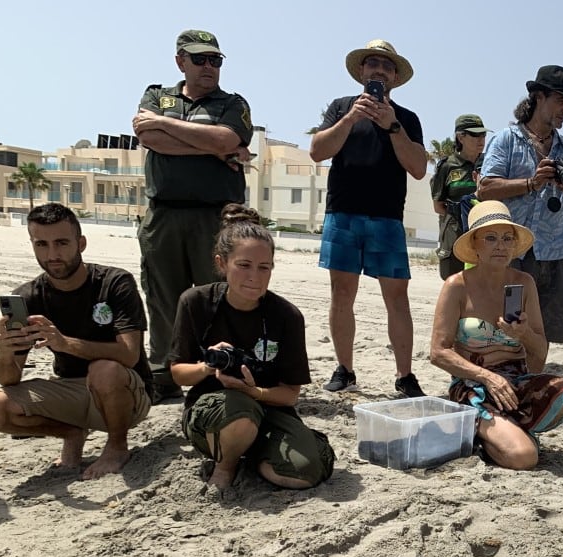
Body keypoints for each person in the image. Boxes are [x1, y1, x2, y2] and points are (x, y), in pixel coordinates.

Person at [169, 206, 335, 495]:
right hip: (212, 411)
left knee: (304, 471)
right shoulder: (196, 302)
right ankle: (226, 467)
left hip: (267, 407)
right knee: (239, 412)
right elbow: (178, 374)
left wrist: (253, 391)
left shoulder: (286, 316)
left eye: (264, 267)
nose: (254, 277)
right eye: (243, 265)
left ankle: (252, 451)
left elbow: (289, 394)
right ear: (222, 263)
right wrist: (208, 367)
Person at [0, 203, 151, 478]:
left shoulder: (114, 282)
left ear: (80, 243)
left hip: (127, 394)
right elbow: (9, 380)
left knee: (103, 369)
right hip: (71, 390)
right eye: (42, 245)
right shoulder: (28, 296)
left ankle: (117, 446)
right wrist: (5, 351)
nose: (53, 255)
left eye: (61, 243)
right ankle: (71, 434)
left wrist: (63, 343)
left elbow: (130, 355)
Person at [133, 29, 252, 403]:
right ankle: (164, 376)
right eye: (199, 59)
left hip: (216, 218)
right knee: (163, 297)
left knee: (216, 297)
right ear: (180, 61)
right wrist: (209, 145)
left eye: (215, 60)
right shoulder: (156, 95)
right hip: (164, 215)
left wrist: (167, 125)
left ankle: (218, 371)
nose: (208, 67)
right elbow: (149, 138)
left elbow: (225, 140)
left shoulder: (232, 104)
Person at [310, 39, 428, 397]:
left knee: (397, 299)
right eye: (373, 63)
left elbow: (420, 168)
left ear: (394, 76)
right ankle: (345, 369)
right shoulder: (341, 108)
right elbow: (317, 151)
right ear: (362, 71)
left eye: (386, 65)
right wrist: (351, 118)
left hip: (387, 219)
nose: (379, 70)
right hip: (342, 214)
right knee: (341, 295)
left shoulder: (407, 119)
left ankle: (405, 376)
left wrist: (392, 126)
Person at [429, 202, 563, 470]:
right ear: (475, 245)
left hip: (516, 381)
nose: (501, 246)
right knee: (524, 457)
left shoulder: (524, 283)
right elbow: (438, 352)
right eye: (491, 238)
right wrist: (487, 377)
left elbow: (539, 357)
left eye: (508, 239)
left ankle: (502, 428)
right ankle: (483, 430)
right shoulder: (457, 286)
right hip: (474, 383)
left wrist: (524, 334)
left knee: (561, 391)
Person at [477, 65, 563, 346]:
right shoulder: (506, 140)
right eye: (561, 101)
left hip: (554, 255)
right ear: (539, 97)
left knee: (543, 334)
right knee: (506, 326)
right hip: (512, 252)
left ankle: (533, 385)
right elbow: (486, 189)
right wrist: (530, 183)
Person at [431, 114, 490, 280]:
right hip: (455, 234)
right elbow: (438, 206)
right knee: (454, 283)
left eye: (483, 135)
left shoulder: (490, 163)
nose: (481, 139)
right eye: (475, 134)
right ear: (460, 136)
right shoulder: (448, 166)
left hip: (485, 234)